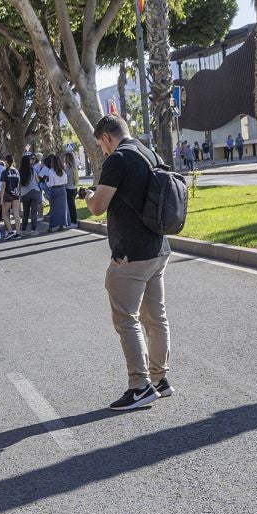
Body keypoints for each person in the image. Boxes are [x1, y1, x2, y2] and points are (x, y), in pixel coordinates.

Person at [85, 115, 170, 411]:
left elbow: (97, 206)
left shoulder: (118, 159)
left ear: (107, 137)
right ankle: (160, 380)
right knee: (155, 318)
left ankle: (139, 386)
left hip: (131, 253)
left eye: (101, 145)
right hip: (158, 247)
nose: (103, 151)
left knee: (126, 319)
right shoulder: (149, 152)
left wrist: (88, 196)